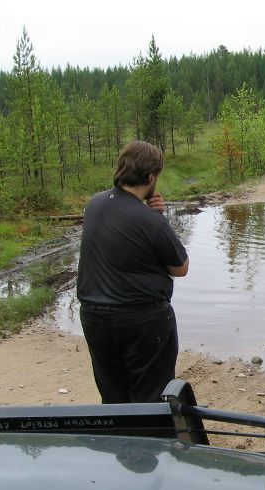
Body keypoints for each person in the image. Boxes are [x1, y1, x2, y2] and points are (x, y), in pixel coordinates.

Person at [77, 140, 189, 404]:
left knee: (113, 395)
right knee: (151, 397)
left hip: (94, 316)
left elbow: (122, 233)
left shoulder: (94, 204)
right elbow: (180, 268)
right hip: (142, 319)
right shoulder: (151, 221)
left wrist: (148, 213)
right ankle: (148, 432)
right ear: (151, 177)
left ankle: (121, 430)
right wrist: (157, 218)